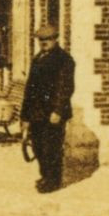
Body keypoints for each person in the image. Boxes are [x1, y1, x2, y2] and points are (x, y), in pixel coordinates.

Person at [21, 23, 75, 193]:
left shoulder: (64, 59)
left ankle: (53, 181)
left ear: (55, 39)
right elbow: (29, 88)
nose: (44, 42)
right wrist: (25, 116)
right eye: (41, 39)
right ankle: (45, 176)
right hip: (36, 112)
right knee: (37, 145)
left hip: (53, 112)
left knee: (51, 146)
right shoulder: (38, 59)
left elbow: (65, 88)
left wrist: (58, 111)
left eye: (48, 39)